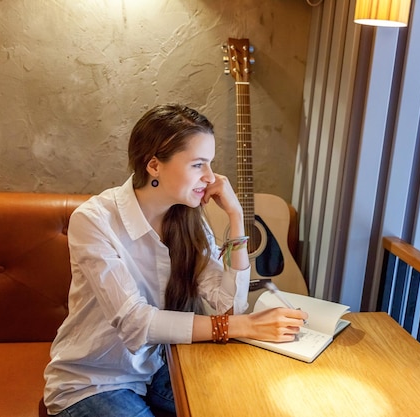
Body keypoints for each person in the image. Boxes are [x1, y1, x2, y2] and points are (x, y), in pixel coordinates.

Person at [43, 104, 308, 417]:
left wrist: (236, 217)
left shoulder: (188, 218)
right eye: (198, 165)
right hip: (94, 381)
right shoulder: (95, 220)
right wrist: (242, 326)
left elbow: (229, 307)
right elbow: (135, 322)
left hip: (157, 367)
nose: (211, 177)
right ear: (154, 165)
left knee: (249, 403)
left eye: (210, 164)